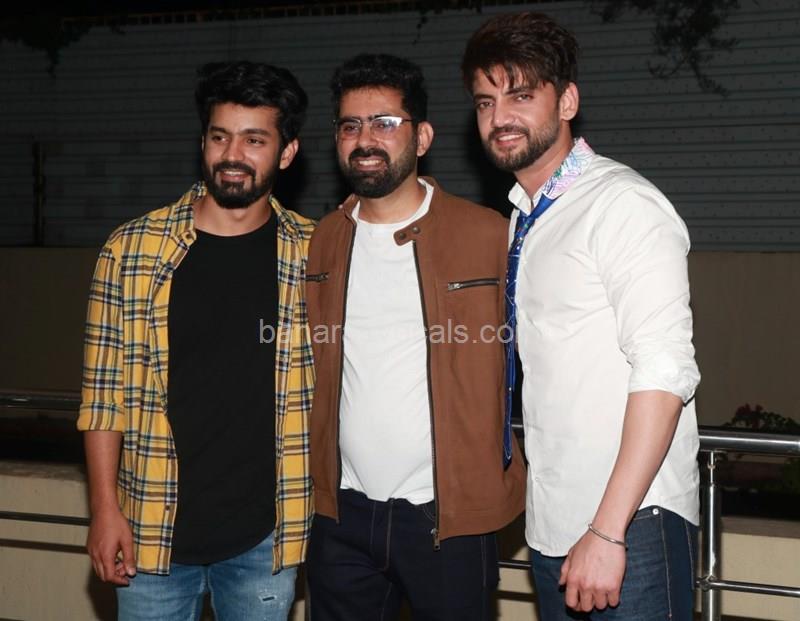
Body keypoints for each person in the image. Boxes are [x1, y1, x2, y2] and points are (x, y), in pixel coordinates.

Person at [462, 12, 701, 620]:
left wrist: (608, 530)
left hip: (631, 525)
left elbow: (665, 371)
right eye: (486, 102)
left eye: (521, 96)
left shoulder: (622, 204)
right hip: (555, 523)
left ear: (567, 101)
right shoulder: (525, 215)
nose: (500, 117)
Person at [78, 61, 314, 620]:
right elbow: (103, 396)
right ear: (203, 142)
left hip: (265, 538)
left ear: (286, 152)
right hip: (150, 531)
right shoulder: (130, 251)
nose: (233, 154)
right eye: (219, 136)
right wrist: (104, 509)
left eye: (254, 139)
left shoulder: (314, 254)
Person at [305, 53, 526, 621]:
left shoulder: (490, 235)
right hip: (340, 517)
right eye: (350, 125)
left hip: (448, 519)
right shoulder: (323, 240)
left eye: (384, 122)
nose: (364, 139)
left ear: (422, 136)